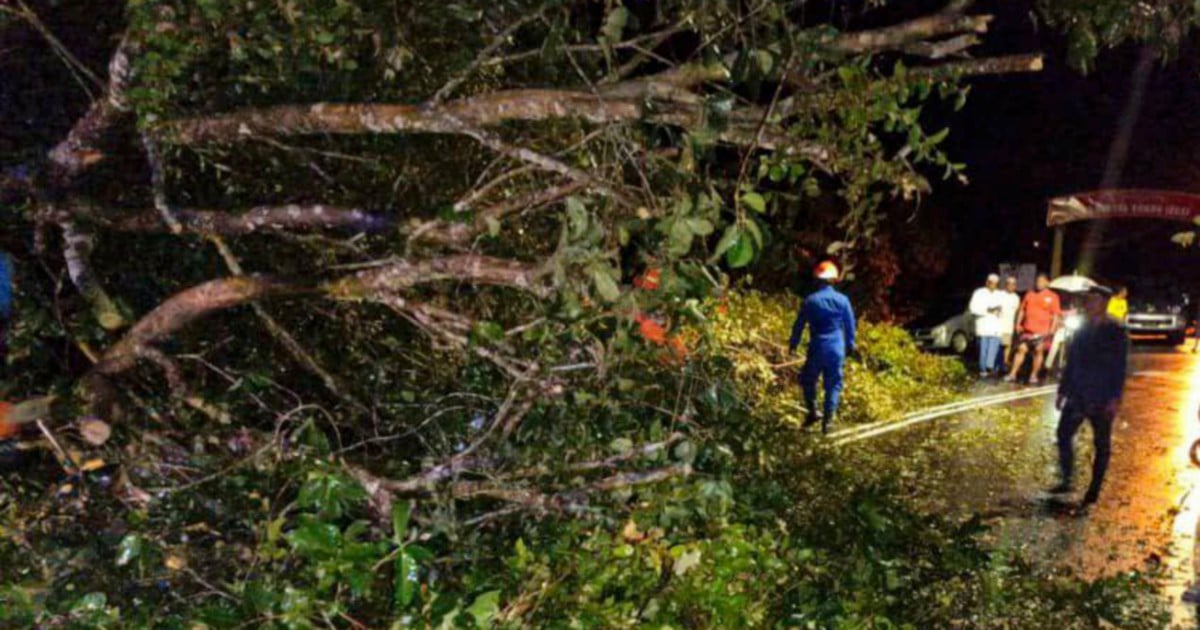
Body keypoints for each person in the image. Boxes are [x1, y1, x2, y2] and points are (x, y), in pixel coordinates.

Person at [1050, 286, 1129, 506]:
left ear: (1103, 303)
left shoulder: (1115, 330)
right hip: (1078, 393)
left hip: (1102, 396)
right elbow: (1071, 362)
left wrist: (1115, 397)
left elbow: (1120, 366)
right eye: (1088, 300)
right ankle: (1066, 478)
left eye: (1093, 300)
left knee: (1101, 444)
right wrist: (1062, 391)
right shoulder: (1082, 329)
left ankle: (1093, 490)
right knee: (1063, 434)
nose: (1089, 304)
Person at [789, 261, 856, 434]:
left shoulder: (810, 301)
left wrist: (793, 345)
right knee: (833, 383)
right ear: (834, 280)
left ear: (817, 280)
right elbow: (850, 326)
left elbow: (799, 325)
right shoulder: (843, 300)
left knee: (808, 379)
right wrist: (850, 346)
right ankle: (828, 421)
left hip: (817, 346)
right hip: (836, 347)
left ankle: (812, 412)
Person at [1005, 273, 1061, 384]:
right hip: (1027, 330)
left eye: (1041, 281)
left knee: (1038, 351)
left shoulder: (1053, 296)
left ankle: (1033, 375)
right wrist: (1017, 324)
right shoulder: (1030, 294)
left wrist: (1052, 329)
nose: (1038, 283)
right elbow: (1022, 310)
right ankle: (1012, 374)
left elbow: (1056, 315)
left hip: (1042, 331)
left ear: (1047, 283)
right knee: (1021, 349)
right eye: (1037, 281)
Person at [968, 274, 1005, 377]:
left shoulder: (1000, 294)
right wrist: (987, 310)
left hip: (996, 326)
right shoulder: (979, 293)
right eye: (991, 283)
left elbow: (1003, 308)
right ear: (987, 282)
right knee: (983, 350)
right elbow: (973, 308)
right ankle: (983, 370)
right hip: (983, 326)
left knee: (994, 349)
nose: (993, 285)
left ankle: (991, 368)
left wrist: (998, 310)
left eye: (995, 284)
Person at [996, 276, 1022, 374]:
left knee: (1007, 346)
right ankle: (996, 365)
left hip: (1009, 326)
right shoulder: (999, 294)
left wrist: (1017, 325)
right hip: (998, 326)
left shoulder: (1016, 298)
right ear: (1006, 285)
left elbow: (1017, 312)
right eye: (1009, 284)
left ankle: (1004, 364)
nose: (1011, 286)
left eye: (1013, 284)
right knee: (998, 346)